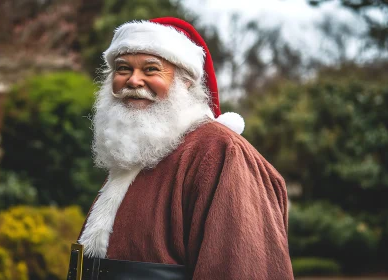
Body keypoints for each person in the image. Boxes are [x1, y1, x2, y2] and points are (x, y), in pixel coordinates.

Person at [69, 17, 294, 280]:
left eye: (151, 69)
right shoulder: (141, 151)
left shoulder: (220, 152)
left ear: (186, 80)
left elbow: (240, 268)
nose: (133, 80)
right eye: (123, 69)